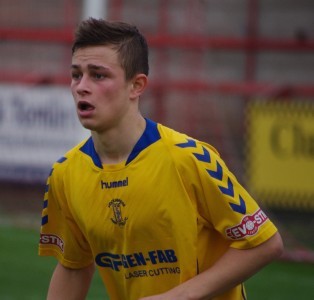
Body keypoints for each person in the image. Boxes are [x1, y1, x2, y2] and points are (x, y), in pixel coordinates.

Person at [38, 18, 283, 300]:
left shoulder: (189, 158)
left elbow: (265, 243)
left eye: (98, 75)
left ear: (136, 85)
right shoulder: (65, 174)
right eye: (76, 74)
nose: (81, 86)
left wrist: (178, 296)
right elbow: (73, 267)